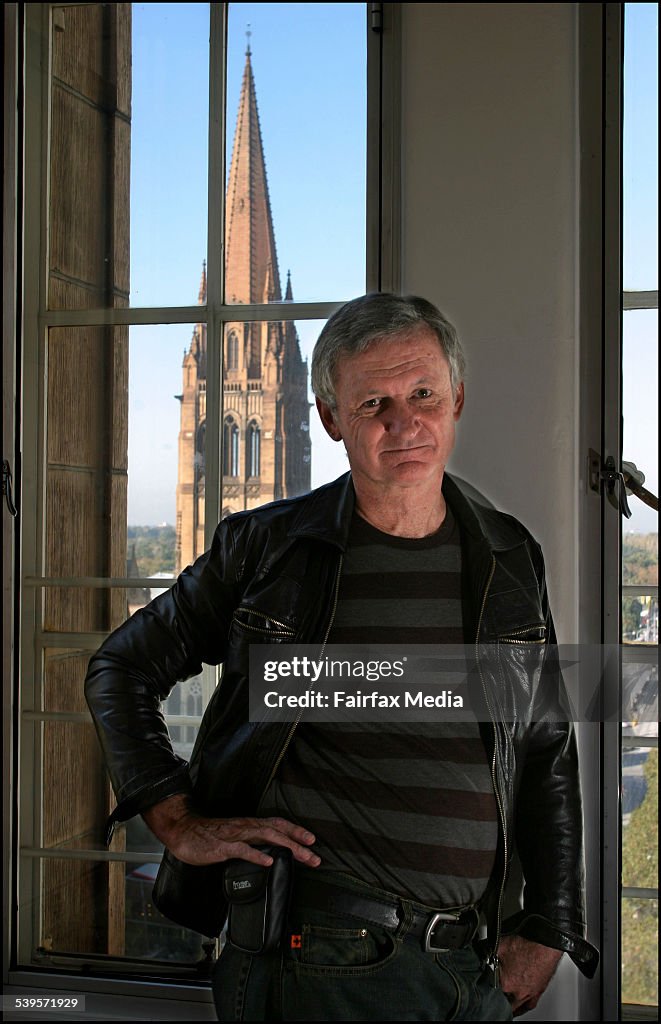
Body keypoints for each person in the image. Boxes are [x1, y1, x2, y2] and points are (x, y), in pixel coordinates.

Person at [85, 293, 598, 1021]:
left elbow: (544, 744)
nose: (404, 421)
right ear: (329, 418)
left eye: (421, 392)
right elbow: (121, 667)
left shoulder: (508, 554)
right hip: (318, 958)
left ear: (456, 396)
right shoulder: (266, 549)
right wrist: (172, 817)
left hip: (466, 964)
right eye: (372, 403)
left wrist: (550, 921)